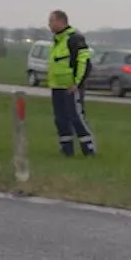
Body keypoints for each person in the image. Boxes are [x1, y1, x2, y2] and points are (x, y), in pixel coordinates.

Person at [46, 10, 96, 156]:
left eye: (51, 21)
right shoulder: (57, 41)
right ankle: (66, 149)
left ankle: (89, 148)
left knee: (76, 117)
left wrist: (77, 83)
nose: (49, 25)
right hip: (57, 86)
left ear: (61, 21)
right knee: (60, 119)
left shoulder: (74, 39)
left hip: (71, 87)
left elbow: (83, 62)